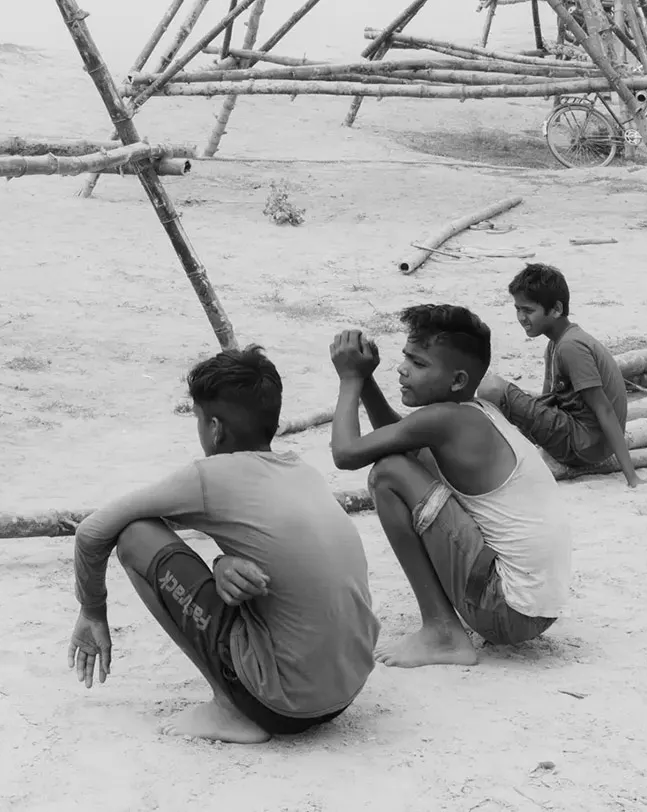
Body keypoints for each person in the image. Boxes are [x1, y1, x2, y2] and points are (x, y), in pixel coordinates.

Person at [66, 345, 376, 743]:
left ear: (214, 428)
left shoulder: (211, 477)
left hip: (278, 705)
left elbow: (92, 531)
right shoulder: (303, 471)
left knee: (135, 534)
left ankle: (230, 708)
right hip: (346, 691)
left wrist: (92, 611)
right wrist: (222, 565)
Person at [328, 305, 573, 668]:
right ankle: (444, 627)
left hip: (505, 609)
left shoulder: (445, 420)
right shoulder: (472, 412)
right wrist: (367, 379)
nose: (403, 369)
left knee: (389, 474)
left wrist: (349, 380)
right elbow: (404, 440)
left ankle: (442, 632)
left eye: (420, 364)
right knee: (404, 461)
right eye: (406, 358)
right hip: (533, 609)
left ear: (457, 380)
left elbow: (346, 453)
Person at [478, 262, 639, 488]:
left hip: (585, 445)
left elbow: (604, 409)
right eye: (518, 309)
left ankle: (487, 461)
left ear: (556, 309)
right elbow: (548, 399)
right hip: (581, 438)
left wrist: (631, 477)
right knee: (506, 398)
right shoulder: (555, 345)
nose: (521, 317)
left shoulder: (571, 347)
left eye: (528, 310)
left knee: (491, 388)